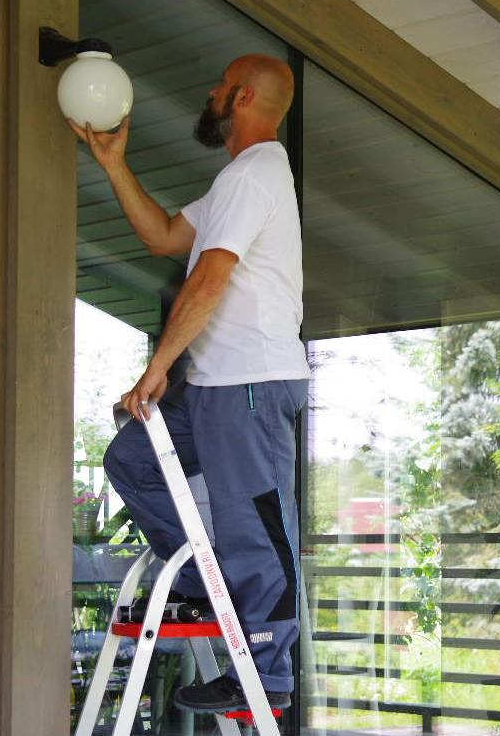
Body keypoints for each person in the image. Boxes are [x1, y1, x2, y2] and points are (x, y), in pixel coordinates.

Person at [69, 53, 307, 713]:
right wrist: (114, 160)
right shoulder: (235, 180)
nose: (209, 90)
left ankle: (268, 674)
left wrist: (159, 363)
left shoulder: (258, 173)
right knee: (134, 462)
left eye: (219, 84)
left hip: (251, 381)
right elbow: (166, 236)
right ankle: (210, 588)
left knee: (258, 522)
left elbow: (209, 279)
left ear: (243, 97)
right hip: (214, 384)